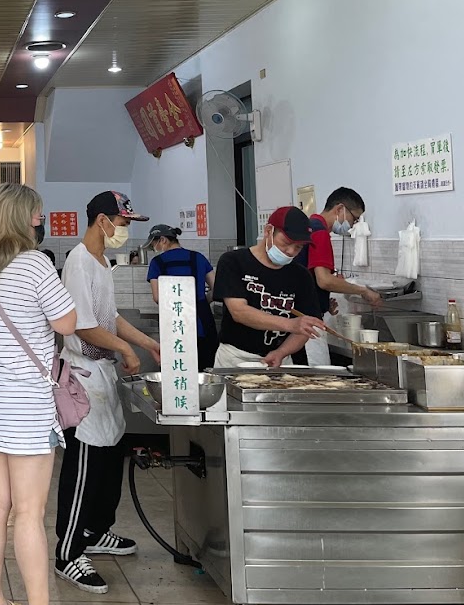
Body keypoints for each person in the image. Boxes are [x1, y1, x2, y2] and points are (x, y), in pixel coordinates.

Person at [0, 184, 77, 605]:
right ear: (23, 217)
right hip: (25, 405)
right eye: (37, 214)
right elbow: (66, 323)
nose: (41, 220)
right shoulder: (36, 264)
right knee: (28, 512)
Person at [54, 191, 162, 593]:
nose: (125, 229)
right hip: (83, 376)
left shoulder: (103, 263)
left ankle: (96, 531)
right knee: (84, 464)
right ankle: (68, 552)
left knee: (109, 459)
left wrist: (147, 343)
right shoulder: (79, 261)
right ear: (103, 220)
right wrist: (125, 350)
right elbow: (82, 326)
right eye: (123, 222)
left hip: (102, 374)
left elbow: (110, 318)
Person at [213, 206, 327, 368]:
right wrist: (290, 324)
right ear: (268, 231)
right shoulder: (233, 261)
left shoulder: (301, 275)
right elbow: (239, 312)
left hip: (279, 360)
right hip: (235, 358)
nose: (290, 251)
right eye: (286, 243)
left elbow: (305, 326)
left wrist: (282, 352)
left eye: (298, 247)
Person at [295, 188, 383, 365]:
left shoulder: (309, 226)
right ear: (340, 209)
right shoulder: (319, 233)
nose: (353, 225)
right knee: (317, 375)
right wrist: (363, 291)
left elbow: (308, 277)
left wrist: (321, 300)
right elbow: (324, 280)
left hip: (300, 316)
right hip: (306, 322)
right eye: (354, 218)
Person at [146, 225, 218, 371]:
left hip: (174, 327)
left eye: (154, 244)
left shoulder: (157, 262)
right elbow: (216, 289)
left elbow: (158, 297)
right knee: (205, 373)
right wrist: (202, 301)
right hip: (202, 326)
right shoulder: (198, 257)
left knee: (178, 373)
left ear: (163, 240)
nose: (155, 248)